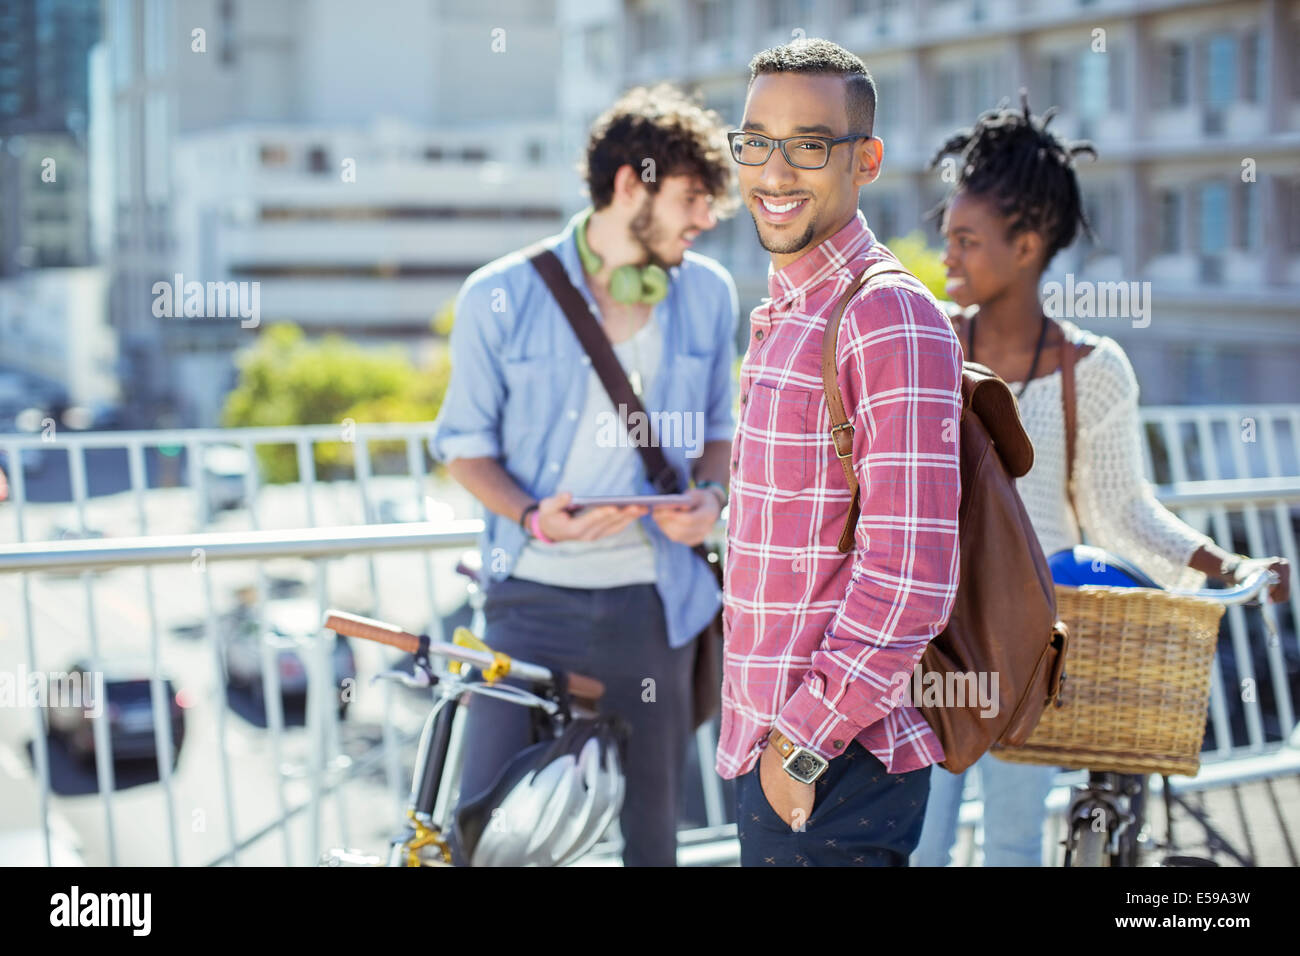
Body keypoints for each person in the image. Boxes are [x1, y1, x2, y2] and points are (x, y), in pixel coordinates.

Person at [912, 96, 1292, 867]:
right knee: (918, 846)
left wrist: (1228, 565)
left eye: (965, 240)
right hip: (929, 639)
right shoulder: (926, 351)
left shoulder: (1096, 371)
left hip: (1028, 646)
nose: (945, 256)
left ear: (1025, 245)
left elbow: (1122, 512)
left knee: (1015, 845)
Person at [428, 84, 740, 867]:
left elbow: (718, 437)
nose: (705, 221)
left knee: (651, 840)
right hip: (528, 599)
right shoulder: (498, 294)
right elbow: (463, 446)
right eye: (693, 199)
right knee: (487, 836)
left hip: (652, 602)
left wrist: (710, 497)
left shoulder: (708, 294)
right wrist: (535, 516)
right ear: (631, 185)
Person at [720, 38, 964, 867]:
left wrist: (800, 746)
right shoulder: (788, 308)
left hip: (836, 763)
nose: (775, 171)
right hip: (777, 754)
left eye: (810, 145)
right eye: (756, 141)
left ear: (867, 160)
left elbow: (911, 576)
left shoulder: (886, 315)